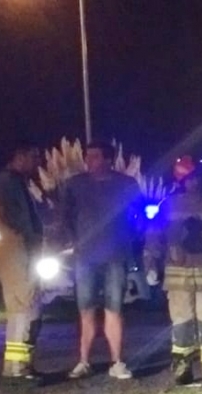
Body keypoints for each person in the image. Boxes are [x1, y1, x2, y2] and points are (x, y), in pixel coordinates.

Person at [61, 140, 142, 380]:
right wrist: (73, 240)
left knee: (114, 309)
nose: (90, 160)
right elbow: (65, 216)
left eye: (95, 156)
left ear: (108, 159)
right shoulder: (74, 184)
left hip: (116, 255)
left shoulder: (126, 184)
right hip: (85, 257)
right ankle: (84, 361)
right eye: (88, 156)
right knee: (85, 310)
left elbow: (139, 214)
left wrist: (134, 240)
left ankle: (117, 362)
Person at [144, 156, 202, 385]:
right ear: (180, 180)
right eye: (188, 179)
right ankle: (183, 368)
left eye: (195, 178)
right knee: (181, 322)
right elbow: (153, 236)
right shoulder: (168, 205)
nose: (192, 183)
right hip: (178, 274)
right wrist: (150, 264)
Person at [0, 141, 44, 379]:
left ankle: (14, 366)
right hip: (19, 250)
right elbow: (14, 215)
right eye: (33, 157)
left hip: (16, 249)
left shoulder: (10, 182)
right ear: (19, 157)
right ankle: (19, 367)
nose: (37, 163)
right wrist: (27, 238)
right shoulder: (10, 183)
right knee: (27, 307)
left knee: (19, 308)